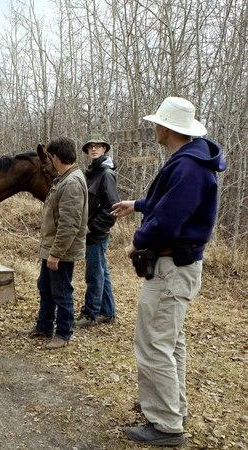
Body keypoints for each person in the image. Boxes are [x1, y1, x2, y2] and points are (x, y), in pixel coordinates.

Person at [112, 97, 227, 446]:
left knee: (154, 344)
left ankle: (165, 424)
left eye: (156, 123)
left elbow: (169, 219)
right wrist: (138, 204)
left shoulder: (189, 167)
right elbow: (169, 202)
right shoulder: (189, 162)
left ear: (167, 128)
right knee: (169, 342)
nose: (153, 128)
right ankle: (170, 408)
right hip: (175, 267)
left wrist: (136, 241)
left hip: (171, 268)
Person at [27, 137, 88, 349]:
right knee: (45, 287)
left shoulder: (72, 183)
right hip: (50, 248)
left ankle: (63, 334)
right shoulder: (63, 178)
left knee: (61, 293)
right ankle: (44, 326)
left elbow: (69, 225)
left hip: (61, 251)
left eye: (51, 157)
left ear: (56, 157)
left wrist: (56, 254)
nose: (50, 161)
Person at [76, 134, 119, 327]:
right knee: (102, 271)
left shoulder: (106, 174)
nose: (93, 149)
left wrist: (92, 227)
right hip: (91, 232)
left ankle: (90, 314)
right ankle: (107, 312)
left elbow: (112, 208)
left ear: (104, 150)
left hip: (97, 233)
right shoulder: (91, 172)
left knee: (94, 274)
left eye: (98, 146)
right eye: (90, 147)